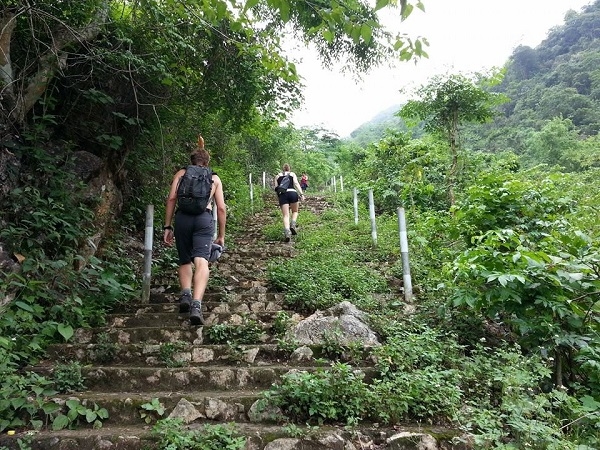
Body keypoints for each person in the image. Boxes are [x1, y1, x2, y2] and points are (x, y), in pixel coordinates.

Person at [163, 136, 226, 325]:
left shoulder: (181, 174)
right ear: (207, 162)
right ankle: (196, 305)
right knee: (201, 260)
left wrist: (167, 226)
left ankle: (185, 295)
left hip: (182, 219)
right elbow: (221, 208)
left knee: (184, 259)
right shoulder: (214, 178)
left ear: (191, 161)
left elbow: (172, 199)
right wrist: (221, 235)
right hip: (203, 220)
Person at [274, 163, 304, 242]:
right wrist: (301, 194)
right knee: (295, 211)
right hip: (292, 193)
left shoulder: (277, 176)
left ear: (282, 169)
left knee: (286, 215)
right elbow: (296, 184)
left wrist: (279, 198)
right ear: (289, 168)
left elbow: (276, 189)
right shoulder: (292, 174)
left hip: (283, 195)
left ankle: (287, 232)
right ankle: (293, 224)